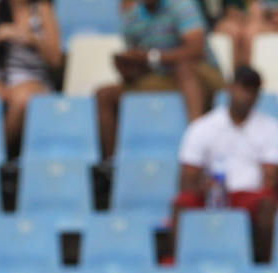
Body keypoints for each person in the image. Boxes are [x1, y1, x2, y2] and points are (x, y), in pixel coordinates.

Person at [171, 65, 278, 262]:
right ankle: (178, 266)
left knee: (267, 203)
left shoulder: (270, 128)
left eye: (253, 90)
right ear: (230, 88)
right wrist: (203, 188)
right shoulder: (203, 127)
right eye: (243, 88)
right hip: (213, 194)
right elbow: (187, 177)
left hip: (249, 195)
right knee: (181, 203)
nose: (248, 95)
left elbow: (270, 178)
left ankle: (262, 269)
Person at [96, 0, 224, 159]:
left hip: (203, 75)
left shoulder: (182, 5)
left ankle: (196, 150)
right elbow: (142, 65)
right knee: (104, 94)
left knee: (183, 69)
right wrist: (127, 66)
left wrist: (150, 57)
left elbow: (196, 51)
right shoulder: (131, 17)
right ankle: (111, 167)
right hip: (161, 78)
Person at [0, 0, 62, 156]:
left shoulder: (43, 9)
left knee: (22, 99)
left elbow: (55, 60)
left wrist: (31, 39)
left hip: (32, 77)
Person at [214, 1, 278, 68]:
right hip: (243, 22)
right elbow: (231, 12)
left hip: (266, 22)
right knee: (238, 32)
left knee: (249, 32)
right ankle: (240, 72)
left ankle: (245, 72)